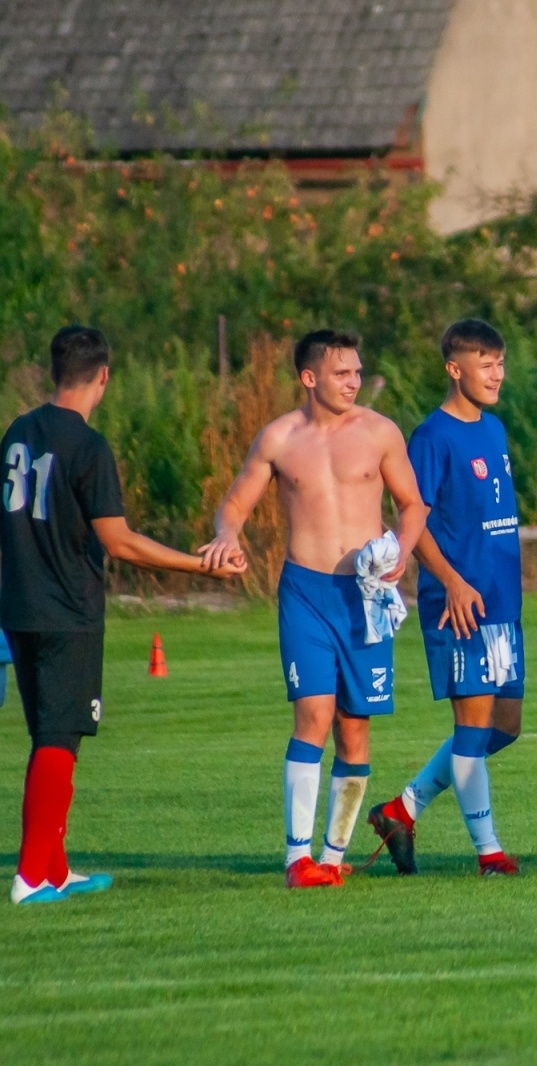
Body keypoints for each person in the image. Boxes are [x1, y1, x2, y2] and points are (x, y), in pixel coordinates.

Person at [2, 325, 245, 905]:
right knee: (59, 739)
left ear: (54, 370)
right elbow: (120, 542)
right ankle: (32, 875)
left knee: (50, 737)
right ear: (104, 376)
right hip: (66, 610)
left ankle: (55, 870)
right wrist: (200, 566)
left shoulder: (18, 431)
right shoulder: (89, 447)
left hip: (19, 605)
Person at [201, 329, 427, 889]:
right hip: (305, 592)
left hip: (366, 596)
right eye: (341, 373)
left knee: (355, 731)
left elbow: (413, 504)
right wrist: (227, 535)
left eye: (357, 372)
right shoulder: (278, 438)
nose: (353, 382)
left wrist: (402, 546)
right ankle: (297, 860)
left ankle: (332, 855)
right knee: (314, 716)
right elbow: (233, 505)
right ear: (309, 378)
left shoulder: (380, 432)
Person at [367, 320, 523, 877]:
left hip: (502, 602)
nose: (497, 373)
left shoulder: (495, 429)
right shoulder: (431, 437)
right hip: (459, 604)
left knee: (504, 727)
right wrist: (452, 580)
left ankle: (400, 809)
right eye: (486, 363)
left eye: (500, 362)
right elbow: (413, 517)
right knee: (474, 727)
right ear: (455, 369)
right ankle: (489, 852)